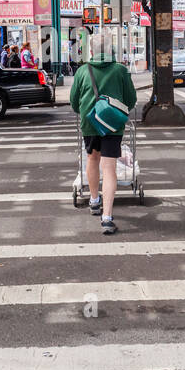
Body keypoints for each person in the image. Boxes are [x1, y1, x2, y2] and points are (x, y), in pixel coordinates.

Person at [69, 34, 137, 235]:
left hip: (90, 123)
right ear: (110, 50)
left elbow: (74, 102)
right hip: (113, 125)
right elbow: (131, 100)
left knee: (92, 158)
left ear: (91, 51)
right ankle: (107, 218)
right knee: (109, 168)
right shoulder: (120, 70)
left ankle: (94, 200)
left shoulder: (82, 71)